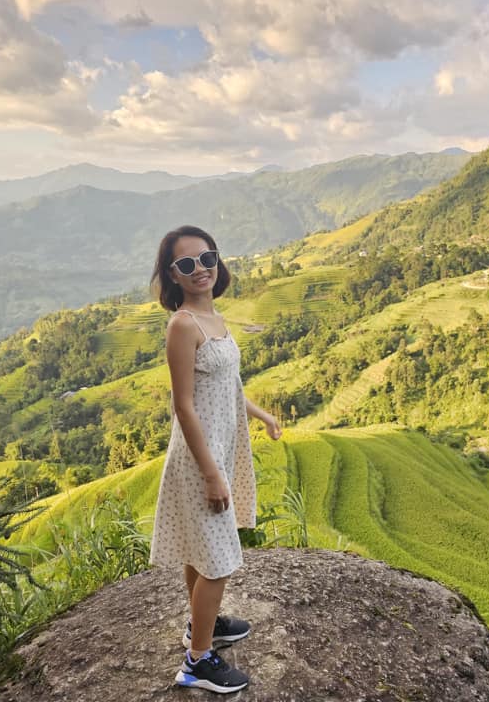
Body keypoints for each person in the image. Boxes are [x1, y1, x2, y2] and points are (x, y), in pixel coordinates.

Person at [149, 225, 282, 694]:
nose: (199, 269)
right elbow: (183, 405)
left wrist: (263, 415)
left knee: (200, 551)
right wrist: (211, 473)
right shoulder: (182, 325)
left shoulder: (216, 319)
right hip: (199, 458)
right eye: (186, 264)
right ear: (173, 275)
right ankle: (197, 661)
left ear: (218, 261)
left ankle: (200, 625)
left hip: (222, 447)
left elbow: (229, 387)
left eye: (206, 258)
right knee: (220, 562)